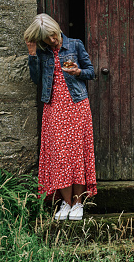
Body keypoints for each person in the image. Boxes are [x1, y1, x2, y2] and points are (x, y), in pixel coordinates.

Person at [24, 13, 97, 221]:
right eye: (47, 39)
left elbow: (91, 72)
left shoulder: (75, 45)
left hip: (77, 106)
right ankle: (66, 202)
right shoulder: (43, 52)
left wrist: (78, 72)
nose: (53, 41)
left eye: (54, 36)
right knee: (60, 156)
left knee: (77, 155)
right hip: (54, 108)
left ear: (56, 28)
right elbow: (36, 79)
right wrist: (32, 54)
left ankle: (78, 203)